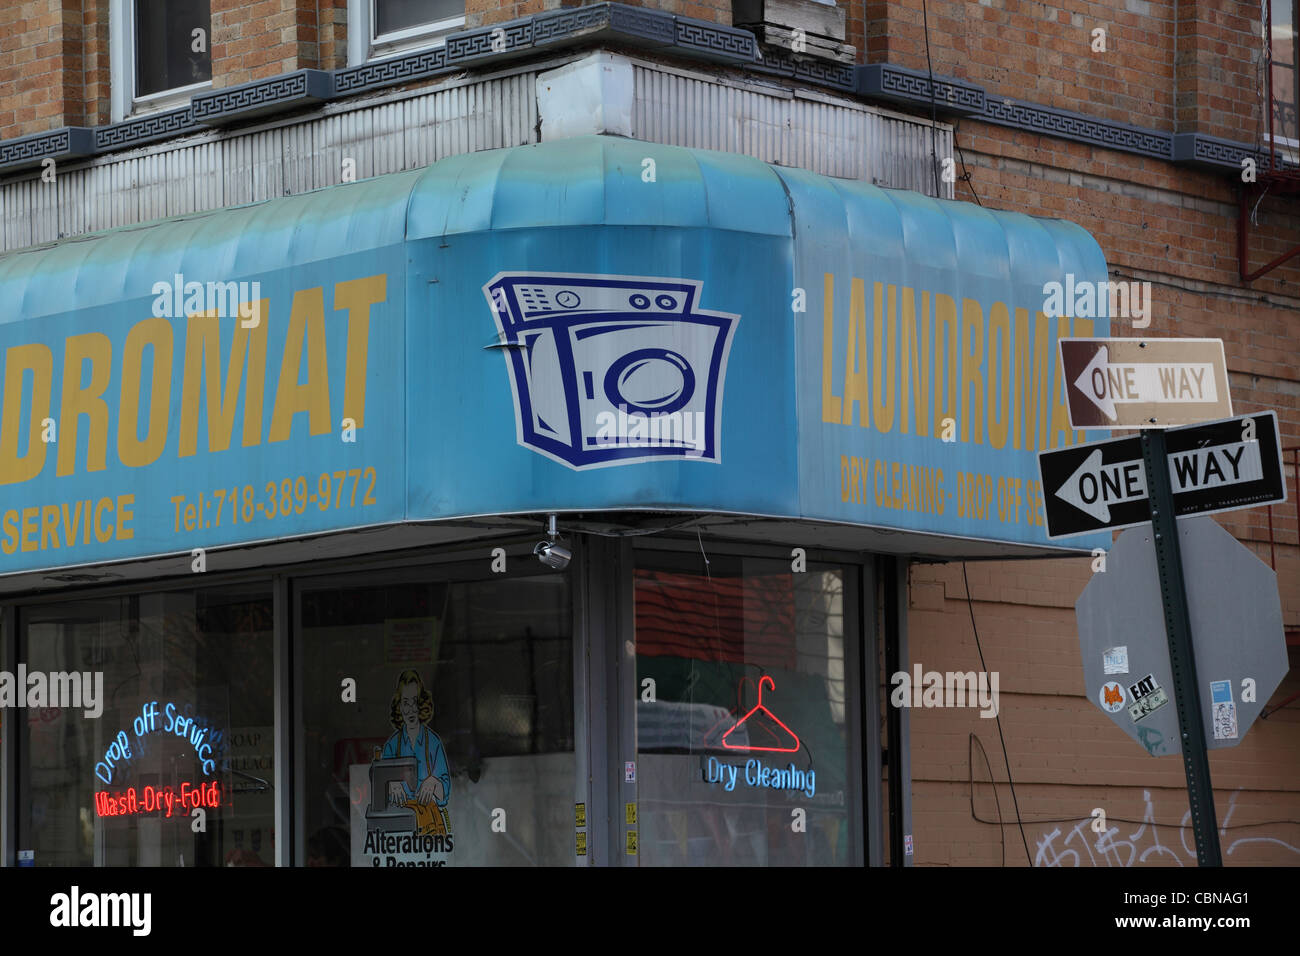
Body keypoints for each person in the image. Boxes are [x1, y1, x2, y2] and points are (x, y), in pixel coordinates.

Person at [382, 669, 451, 834]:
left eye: (415, 701)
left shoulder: (433, 742)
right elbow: (380, 781)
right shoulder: (392, 745)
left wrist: (434, 782)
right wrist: (389, 784)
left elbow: (444, 795)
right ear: (399, 706)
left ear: (421, 704)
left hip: (429, 822)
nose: (411, 709)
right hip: (401, 825)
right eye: (406, 703)